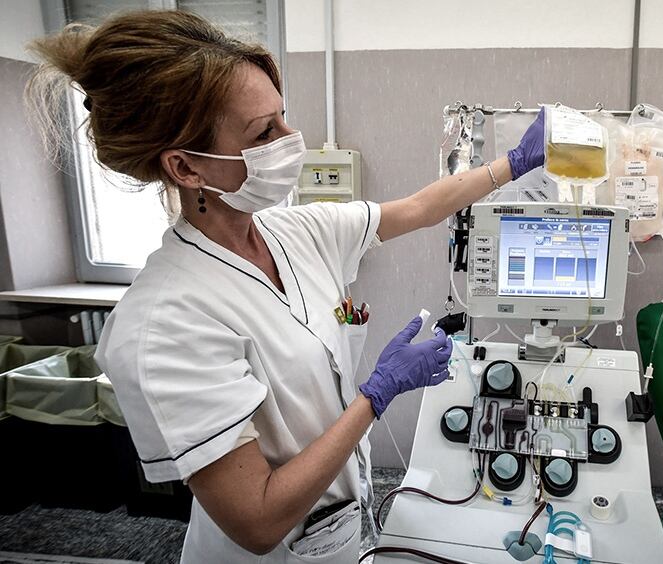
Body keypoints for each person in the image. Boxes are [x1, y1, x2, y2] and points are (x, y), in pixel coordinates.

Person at [25, 10, 545, 563]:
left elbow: (418, 208)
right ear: (186, 168)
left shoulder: (296, 232)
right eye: (263, 132)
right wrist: (378, 394)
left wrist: (514, 164)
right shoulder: (163, 323)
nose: (292, 140)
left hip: (341, 519)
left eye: (283, 117)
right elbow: (258, 519)